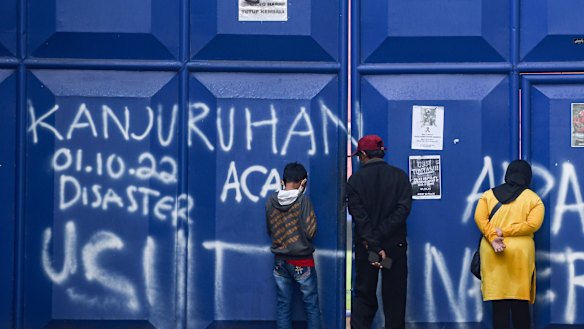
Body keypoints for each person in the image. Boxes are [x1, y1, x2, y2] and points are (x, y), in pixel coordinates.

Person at [347, 135, 413, 329]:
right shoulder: (400, 177)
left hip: (368, 249)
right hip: (394, 249)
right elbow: (402, 211)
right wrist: (382, 240)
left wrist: (374, 245)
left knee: (364, 296)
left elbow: (360, 218)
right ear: (382, 153)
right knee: (394, 299)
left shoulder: (355, 181)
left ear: (364, 154)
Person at [474, 159, 544, 329]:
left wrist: (494, 235)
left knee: (499, 304)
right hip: (520, 255)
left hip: (493, 250)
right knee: (520, 303)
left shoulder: (488, 195)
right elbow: (533, 225)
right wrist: (506, 231)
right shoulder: (533, 199)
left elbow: (479, 218)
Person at [266, 162, 321, 329]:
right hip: (302, 261)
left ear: (283, 181)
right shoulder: (303, 201)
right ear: (303, 182)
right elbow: (311, 232)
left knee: (283, 305)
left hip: (280, 260)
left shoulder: (271, 201)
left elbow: (270, 229)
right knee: (311, 305)